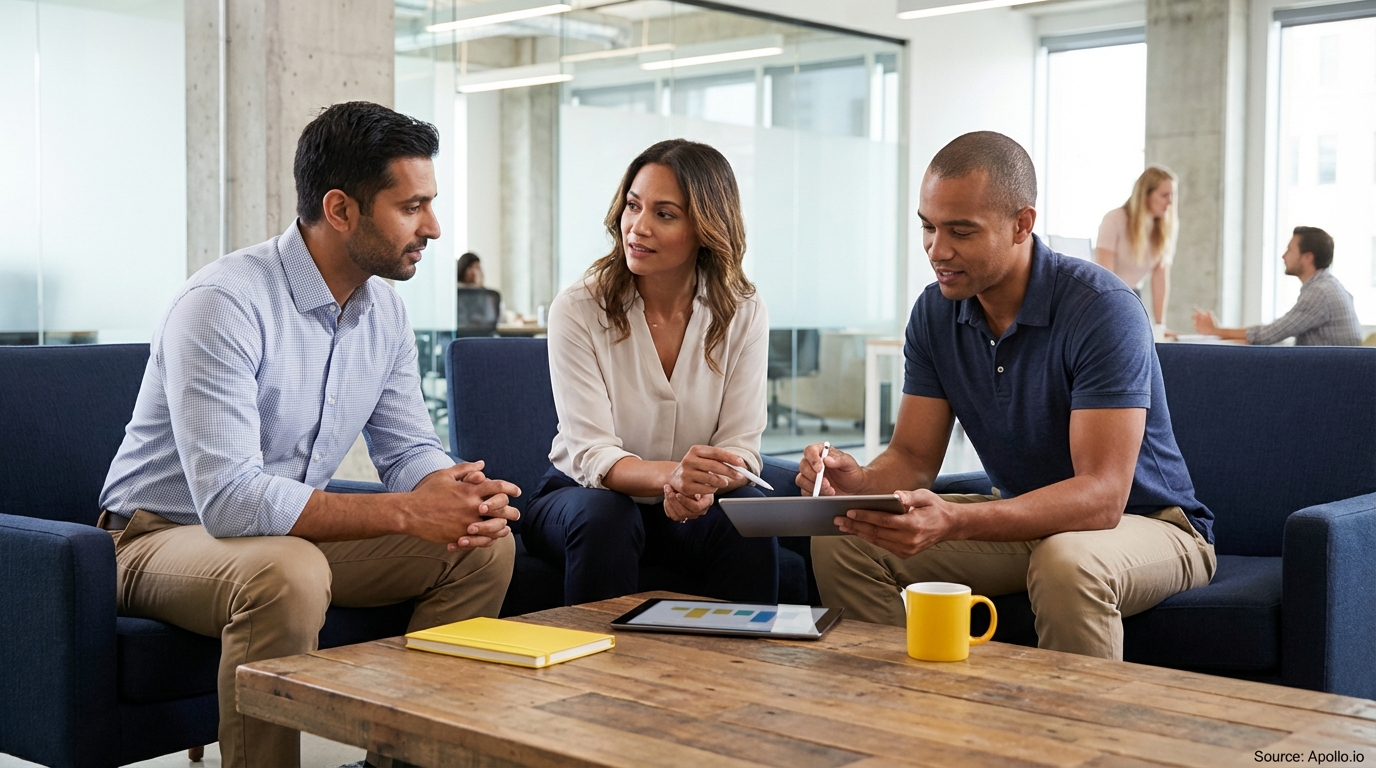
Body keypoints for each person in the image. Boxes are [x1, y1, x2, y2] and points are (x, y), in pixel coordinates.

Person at [98, 102, 520, 767]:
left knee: (481, 548)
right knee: (287, 571)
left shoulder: (385, 313)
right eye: (412, 207)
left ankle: (403, 759)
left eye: (430, 204)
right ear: (341, 209)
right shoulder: (224, 303)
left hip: (279, 535)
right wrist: (410, 510)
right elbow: (232, 501)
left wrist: (453, 490)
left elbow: (407, 448)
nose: (433, 227)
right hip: (152, 537)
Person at [803, 131, 1215, 660]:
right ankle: (910, 719)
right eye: (927, 228)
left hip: (1152, 525)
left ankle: (1076, 741)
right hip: (1030, 521)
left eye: (961, 232)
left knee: (1067, 561)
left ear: (1022, 224)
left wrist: (956, 520)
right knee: (846, 538)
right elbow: (910, 458)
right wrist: (858, 483)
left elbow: (1102, 496)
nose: (937, 249)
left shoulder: (1102, 308)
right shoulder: (935, 313)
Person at [523, 138, 778, 606]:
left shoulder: (744, 308)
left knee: (746, 516)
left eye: (664, 214)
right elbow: (593, 454)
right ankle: (597, 672)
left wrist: (702, 486)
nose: (637, 228)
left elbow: (741, 447)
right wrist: (674, 477)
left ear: (705, 228)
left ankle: (746, 672)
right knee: (607, 518)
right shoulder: (579, 308)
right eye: (633, 206)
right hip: (582, 495)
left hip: (694, 501)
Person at [1192, 226, 1361, 346]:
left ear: (1308, 257)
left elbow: (1269, 334)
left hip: (1327, 381)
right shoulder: (1328, 286)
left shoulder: (1320, 292)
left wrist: (1215, 330)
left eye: (1289, 250)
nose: (1283, 256)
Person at [1095, 165, 1178, 325]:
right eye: (1164, 195)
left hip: (1133, 296)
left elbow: (1160, 278)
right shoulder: (1113, 220)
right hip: (1108, 297)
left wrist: (1160, 325)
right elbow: (1104, 277)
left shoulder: (1164, 228)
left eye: (1172, 195)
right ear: (1145, 195)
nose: (1170, 202)